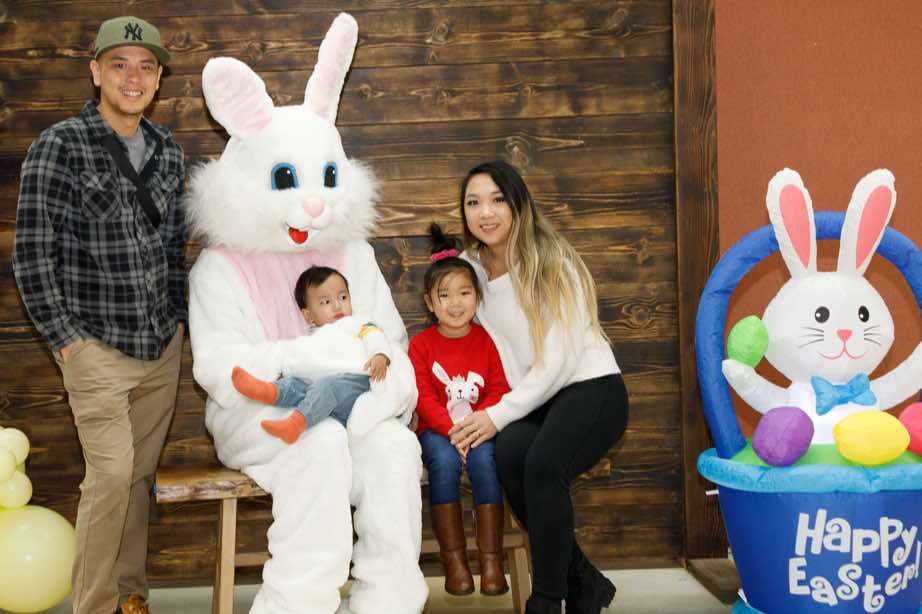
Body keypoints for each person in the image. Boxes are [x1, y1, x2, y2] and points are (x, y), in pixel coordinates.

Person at [11, 15, 185, 614]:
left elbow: (174, 247)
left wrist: (177, 319)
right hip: (93, 346)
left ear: (158, 79)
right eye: (119, 64)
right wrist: (67, 341)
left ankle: (129, 594)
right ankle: (93, 606)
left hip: (160, 346)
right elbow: (31, 254)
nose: (133, 77)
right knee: (110, 477)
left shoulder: (167, 150)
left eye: (146, 67)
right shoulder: (59, 146)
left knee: (137, 478)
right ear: (95, 71)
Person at [449, 161, 629, 614]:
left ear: (518, 203)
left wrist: (496, 415)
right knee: (511, 455)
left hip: (590, 387)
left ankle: (547, 600)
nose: (485, 212)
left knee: (544, 465)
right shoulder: (469, 269)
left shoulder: (553, 260)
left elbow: (559, 359)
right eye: (473, 203)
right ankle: (583, 582)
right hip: (536, 399)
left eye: (497, 200)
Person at [409, 223, 511, 597]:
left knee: (486, 462)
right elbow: (423, 398)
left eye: (464, 293)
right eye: (445, 295)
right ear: (430, 303)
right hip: (438, 431)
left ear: (477, 298)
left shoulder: (486, 341)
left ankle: (491, 561)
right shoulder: (421, 346)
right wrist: (454, 432)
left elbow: (498, 389)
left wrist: (475, 428)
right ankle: (454, 561)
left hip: (480, 428)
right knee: (444, 462)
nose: (455, 303)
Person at [231, 265, 391, 443]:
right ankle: (267, 391)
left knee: (328, 386)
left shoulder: (358, 323)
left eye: (343, 297)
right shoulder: (312, 340)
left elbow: (375, 335)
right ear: (308, 316)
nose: (337, 305)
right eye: (326, 302)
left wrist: (380, 355)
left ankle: (295, 425)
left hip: (357, 385)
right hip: (325, 393)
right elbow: (300, 361)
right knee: (297, 384)